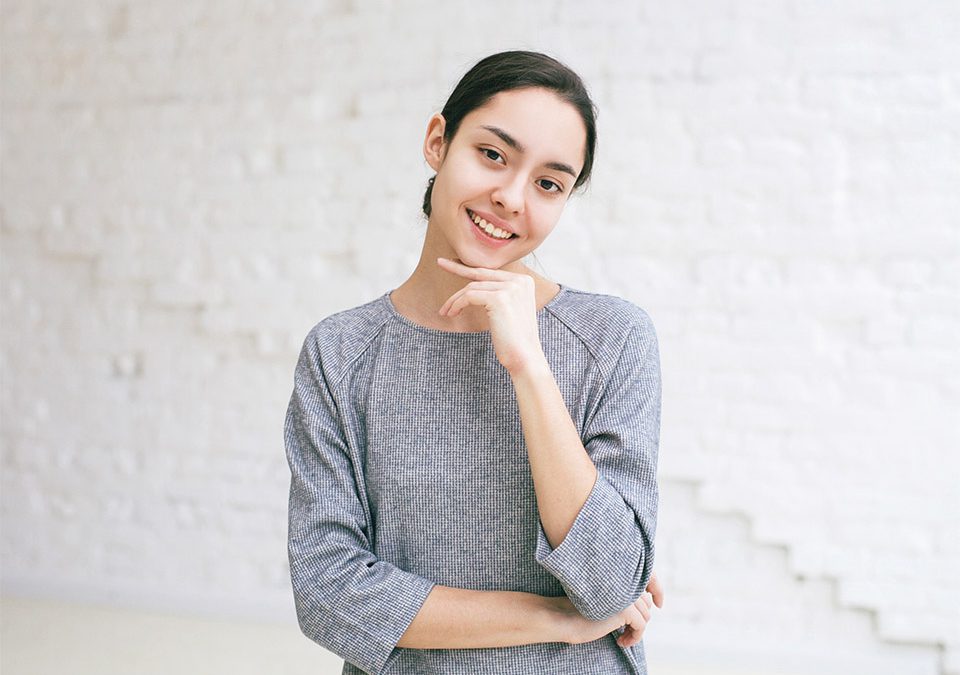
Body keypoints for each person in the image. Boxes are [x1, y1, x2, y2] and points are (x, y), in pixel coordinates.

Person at [284, 49, 664, 675]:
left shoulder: (614, 338)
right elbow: (328, 596)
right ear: (438, 142)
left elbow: (610, 582)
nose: (511, 197)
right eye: (492, 154)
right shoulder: (341, 353)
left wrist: (528, 366)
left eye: (548, 183)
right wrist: (554, 619)